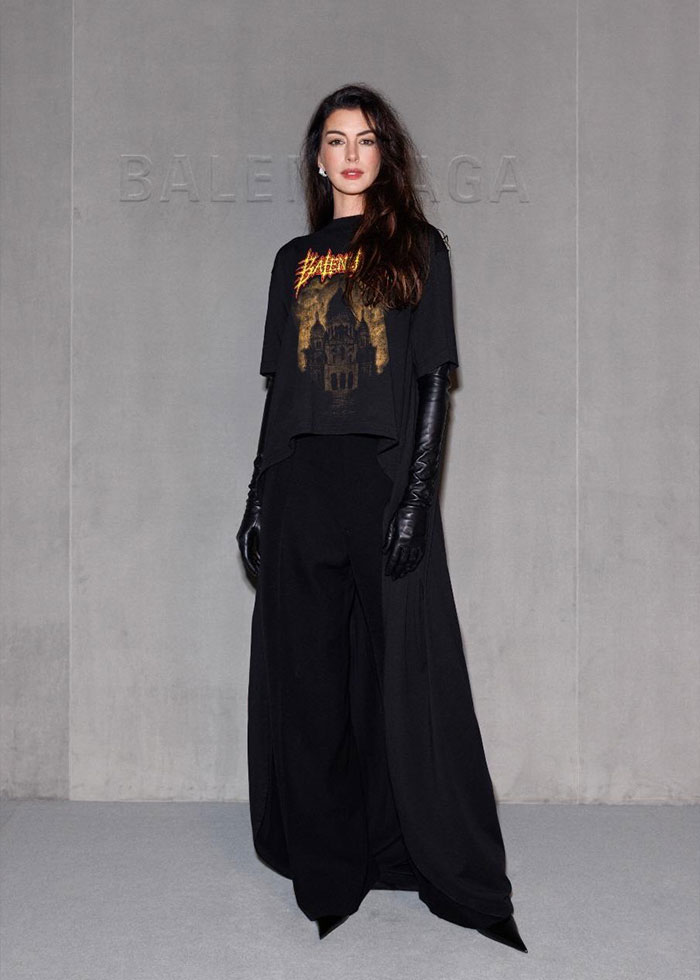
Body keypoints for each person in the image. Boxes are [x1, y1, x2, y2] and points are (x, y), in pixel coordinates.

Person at [237, 83, 527, 952]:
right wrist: (256, 493)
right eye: (336, 139)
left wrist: (416, 498)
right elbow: (280, 390)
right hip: (299, 485)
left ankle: (445, 868)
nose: (352, 152)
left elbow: (435, 377)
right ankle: (329, 875)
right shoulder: (293, 259)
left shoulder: (418, 247)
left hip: (379, 478)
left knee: (409, 679)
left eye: (366, 138)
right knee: (313, 679)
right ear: (318, 158)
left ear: (383, 153)